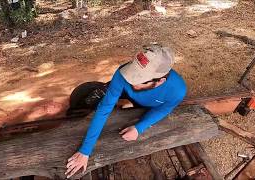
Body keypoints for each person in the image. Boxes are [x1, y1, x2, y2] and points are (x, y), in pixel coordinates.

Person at [65, 43, 187, 178]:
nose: (131, 81)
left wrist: (139, 128)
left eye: (139, 79)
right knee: (96, 97)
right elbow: (104, 109)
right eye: (133, 73)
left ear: (160, 81)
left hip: (146, 104)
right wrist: (85, 151)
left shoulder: (177, 90)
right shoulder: (122, 74)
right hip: (122, 92)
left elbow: (163, 109)